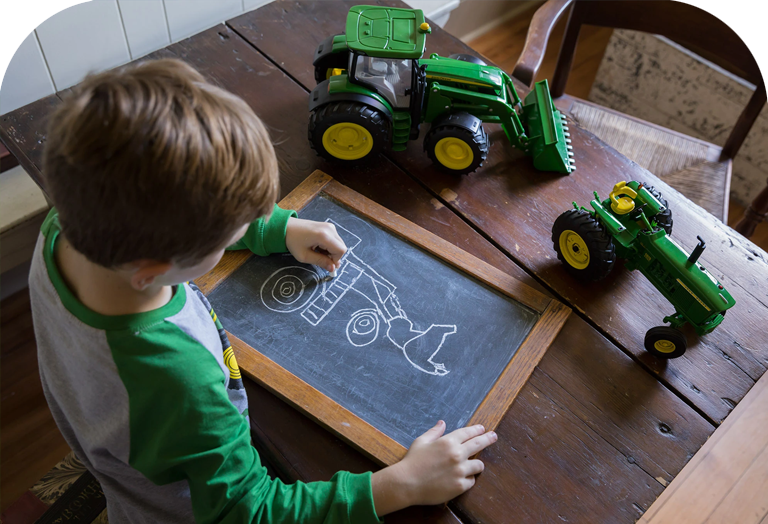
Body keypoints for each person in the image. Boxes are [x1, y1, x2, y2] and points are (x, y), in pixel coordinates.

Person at [29, 58, 497, 524]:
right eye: (230, 233)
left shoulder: (69, 222)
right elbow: (245, 511)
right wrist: (399, 485)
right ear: (154, 268)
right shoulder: (179, 380)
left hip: (120, 445)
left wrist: (276, 228)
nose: (244, 227)